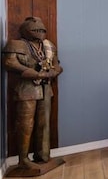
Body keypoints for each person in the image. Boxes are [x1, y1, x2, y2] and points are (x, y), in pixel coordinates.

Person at [2, 17, 63, 170]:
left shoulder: (48, 46)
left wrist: (53, 72)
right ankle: (23, 159)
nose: (40, 32)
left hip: (45, 88)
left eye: (42, 30)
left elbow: (57, 64)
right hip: (26, 89)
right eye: (36, 30)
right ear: (26, 30)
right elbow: (9, 62)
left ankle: (42, 155)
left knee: (44, 123)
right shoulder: (16, 44)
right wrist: (31, 72)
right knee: (25, 124)